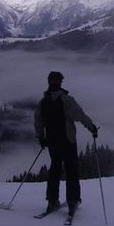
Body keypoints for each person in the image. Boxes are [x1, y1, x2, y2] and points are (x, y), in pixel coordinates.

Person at [34, 71, 98, 215]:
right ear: (60, 82)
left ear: (49, 82)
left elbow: (38, 121)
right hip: (68, 140)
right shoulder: (66, 100)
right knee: (71, 170)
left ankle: (52, 200)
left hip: (52, 141)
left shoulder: (43, 102)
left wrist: (41, 138)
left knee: (55, 169)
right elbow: (80, 115)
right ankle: (73, 201)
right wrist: (92, 127)